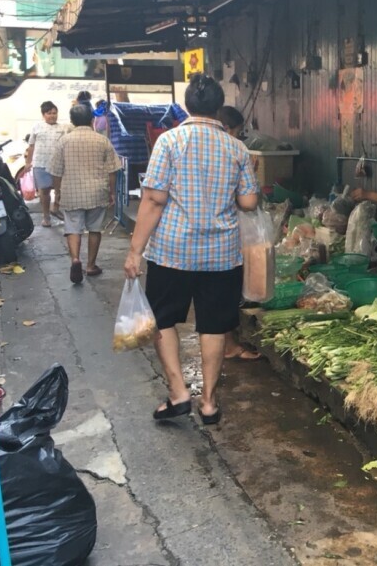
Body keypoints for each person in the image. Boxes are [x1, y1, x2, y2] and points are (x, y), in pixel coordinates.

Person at [124, 74, 260, 425]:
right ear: (218, 107)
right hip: (221, 254)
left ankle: (178, 392)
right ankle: (210, 403)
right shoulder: (237, 148)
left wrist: (135, 251)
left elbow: (154, 199)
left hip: (172, 250)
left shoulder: (169, 141)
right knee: (213, 325)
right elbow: (248, 202)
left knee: (164, 319)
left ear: (187, 105)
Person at [48, 104, 122, 284]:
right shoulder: (102, 140)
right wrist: (112, 193)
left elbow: (56, 171)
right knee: (95, 228)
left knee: (73, 228)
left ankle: (75, 259)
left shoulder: (64, 141)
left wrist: (57, 194)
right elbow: (113, 170)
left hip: (71, 192)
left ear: (72, 121)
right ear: (92, 120)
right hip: (97, 191)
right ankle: (90, 265)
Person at [214, 104, 262, 361]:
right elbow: (248, 202)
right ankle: (229, 346)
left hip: (190, 240)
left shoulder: (185, 146)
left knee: (210, 298)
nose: (238, 136)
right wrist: (249, 175)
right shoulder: (232, 150)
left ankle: (224, 344)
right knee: (224, 294)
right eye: (238, 131)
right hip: (222, 236)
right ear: (227, 128)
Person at [24, 101, 69, 227]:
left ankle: (56, 208)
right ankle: (46, 217)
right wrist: (28, 163)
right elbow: (31, 146)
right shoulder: (37, 127)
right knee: (44, 192)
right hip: (40, 164)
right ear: (43, 115)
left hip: (58, 164)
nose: (52, 116)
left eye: (54, 113)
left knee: (59, 190)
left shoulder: (62, 128)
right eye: (49, 113)